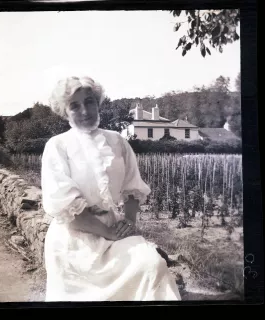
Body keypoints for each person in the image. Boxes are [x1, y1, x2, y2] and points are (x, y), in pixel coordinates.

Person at [41, 76, 181, 302]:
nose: (85, 110)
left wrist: (129, 221)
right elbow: (67, 210)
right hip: (75, 239)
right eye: (74, 106)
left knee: (152, 264)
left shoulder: (117, 141)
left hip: (114, 228)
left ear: (98, 103)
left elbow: (133, 187)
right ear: (65, 112)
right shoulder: (57, 146)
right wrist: (107, 232)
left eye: (89, 102)